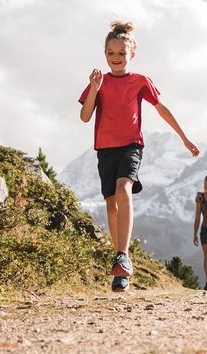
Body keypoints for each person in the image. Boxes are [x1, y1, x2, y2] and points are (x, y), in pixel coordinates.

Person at [79, 20, 199, 292]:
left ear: (132, 53)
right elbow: (85, 116)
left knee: (124, 188)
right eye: (111, 53)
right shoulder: (100, 83)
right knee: (111, 204)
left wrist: (184, 137)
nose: (116, 58)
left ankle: (122, 256)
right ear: (105, 54)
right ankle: (120, 264)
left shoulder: (140, 81)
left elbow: (162, 109)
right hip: (105, 149)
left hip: (131, 145)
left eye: (122, 53)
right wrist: (94, 88)